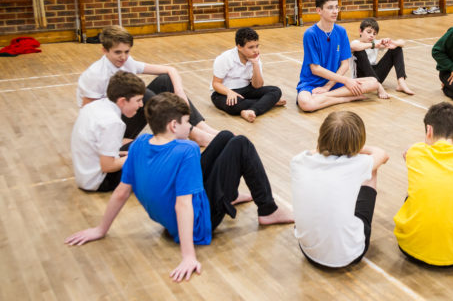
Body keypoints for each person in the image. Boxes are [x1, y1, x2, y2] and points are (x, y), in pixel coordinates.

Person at [65, 92, 293, 282]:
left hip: (174, 219)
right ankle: (268, 210)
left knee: (224, 136)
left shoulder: (140, 144)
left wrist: (100, 229)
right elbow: (183, 204)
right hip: (200, 224)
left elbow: (122, 192)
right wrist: (188, 256)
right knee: (241, 143)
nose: (191, 126)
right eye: (187, 122)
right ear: (174, 125)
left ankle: (230, 196)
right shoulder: (187, 151)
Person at [77, 25, 218, 146]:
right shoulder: (95, 75)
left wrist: (179, 92)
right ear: (104, 51)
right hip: (112, 125)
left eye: (127, 51)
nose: (123, 57)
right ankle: (192, 133)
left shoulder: (127, 62)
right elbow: (88, 115)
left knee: (164, 81)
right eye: (117, 52)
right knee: (143, 95)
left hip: (126, 113)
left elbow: (170, 70)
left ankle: (201, 127)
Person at [393, 102, 453, 267]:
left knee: (415, 192)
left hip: (409, 248)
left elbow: (410, 150)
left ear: (428, 131)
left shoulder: (415, 152)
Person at [291, 111, 389, 268]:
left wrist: (330, 144)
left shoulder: (298, 160)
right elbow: (382, 154)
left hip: (307, 250)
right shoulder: (358, 164)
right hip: (347, 256)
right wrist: (355, 148)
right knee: (372, 170)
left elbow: (316, 151)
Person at [296, 0, 381, 112]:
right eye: (330, 8)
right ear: (319, 11)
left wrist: (328, 87)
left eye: (336, 7)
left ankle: (325, 97)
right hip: (311, 84)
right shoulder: (310, 34)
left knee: (373, 82)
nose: (335, 11)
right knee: (306, 104)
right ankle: (344, 99)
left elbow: (345, 64)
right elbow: (315, 69)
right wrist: (346, 81)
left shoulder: (341, 31)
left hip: (334, 82)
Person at [70, 71, 145, 192]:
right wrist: (133, 156)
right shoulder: (113, 122)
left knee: (143, 144)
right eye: (138, 100)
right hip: (100, 181)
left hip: (86, 175)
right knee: (152, 155)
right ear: (122, 101)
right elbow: (108, 166)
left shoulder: (96, 105)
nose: (141, 105)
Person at [211, 27, 286, 122]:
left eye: (257, 46)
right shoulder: (225, 58)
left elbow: (257, 85)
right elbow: (216, 84)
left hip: (246, 90)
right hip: (224, 92)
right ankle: (268, 103)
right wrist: (229, 92)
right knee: (234, 105)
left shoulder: (255, 57)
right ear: (239, 47)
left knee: (275, 91)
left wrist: (255, 64)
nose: (255, 50)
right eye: (251, 47)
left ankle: (251, 110)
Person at [350, 18, 414, 97]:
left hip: (376, 75)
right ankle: (378, 86)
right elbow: (353, 46)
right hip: (361, 79)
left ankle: (401, 82)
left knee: (396, 48)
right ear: (360, 31)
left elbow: (402, 43)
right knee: (360, 51)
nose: (371, 35)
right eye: (369, 32)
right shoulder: (356, 43)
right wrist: (374, 45)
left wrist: (392, 42)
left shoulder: (375, 42)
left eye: (374, 33)